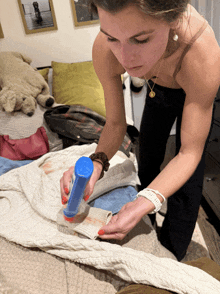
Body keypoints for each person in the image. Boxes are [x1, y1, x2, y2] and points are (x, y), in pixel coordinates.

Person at [60, 0, 220, 261]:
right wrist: (96, 163)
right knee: (146, 154)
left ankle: (171, 254)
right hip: (157, 85)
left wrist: (152, 198)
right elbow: (114, 124)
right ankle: (146, 224)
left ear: (173, 20)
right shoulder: (104, 49)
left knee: (188, 183)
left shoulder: (202, 54)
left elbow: (189, 153)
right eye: (112, 37)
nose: (124, 58)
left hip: (191, 82)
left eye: (141, 39)